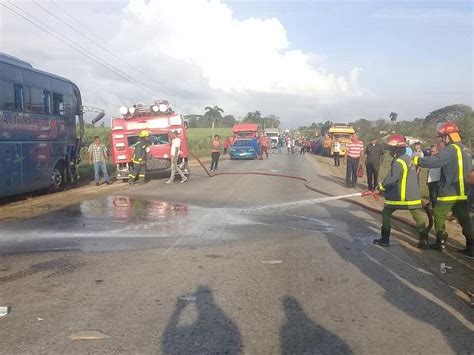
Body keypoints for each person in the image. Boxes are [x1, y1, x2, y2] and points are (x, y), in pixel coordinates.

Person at [414, 122, 472, 257]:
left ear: (448, 136)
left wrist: (417, 161)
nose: (441, 140)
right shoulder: (466, 149)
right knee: (465, 219)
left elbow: (436, 161)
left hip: (449, 191)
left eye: (442, 137)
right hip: (463, 193)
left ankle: (441, 244)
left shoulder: (451, 149)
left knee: (439, 213)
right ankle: (471, 247)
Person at [374, 134, 429, 249]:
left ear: (396, 148)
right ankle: (424, 242)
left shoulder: (399, 161)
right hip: (413, 195)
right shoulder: (407, 159)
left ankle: (385, 240)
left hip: (401, 195)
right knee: (418, 216)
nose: (389, 150)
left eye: (390, 148)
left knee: (386, 213)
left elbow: (391, 179)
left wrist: (381, 188)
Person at [426, 145, 441, 209]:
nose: (432, 153)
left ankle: (436, 209)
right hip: (430, 180)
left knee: (435, 196)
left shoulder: (440, 159)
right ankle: (432, 206)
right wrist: (427, 179)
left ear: (437, 151)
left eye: (433, 151)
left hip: (437, 180)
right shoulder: (430, 159)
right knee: (431, 195)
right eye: (431, 152)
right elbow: (429, 170)